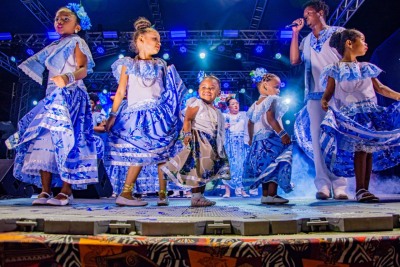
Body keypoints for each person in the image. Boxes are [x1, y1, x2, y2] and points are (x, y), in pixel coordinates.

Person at [5, 3, 97, 206]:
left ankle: (66, 190)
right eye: (57, 19)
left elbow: (83, 69)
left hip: (71, 95)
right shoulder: (52, 47)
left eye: (66, 19)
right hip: (52, 96)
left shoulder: (77, 42)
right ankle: (45, 190)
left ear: (77, 27)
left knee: (68, 139)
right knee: (44, 138)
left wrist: (68, 76)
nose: (60, 22)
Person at [105, 17, 186, 207]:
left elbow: (169, 91)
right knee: (138, 153)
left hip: (159, 114)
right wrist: (112, 115)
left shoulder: (160, 65)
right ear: (140, 40)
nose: (159, 43)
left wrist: (178, 115)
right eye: (154, 39)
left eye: (159, 40)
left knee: (162, 153)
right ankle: (126, 193)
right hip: (136, 115)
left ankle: (162, 194)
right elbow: (120, 91)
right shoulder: (128, 64)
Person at [319, 29, 400, 202]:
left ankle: (364, 188)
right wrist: (325, 100)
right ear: (349, 43)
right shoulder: (335, 70)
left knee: (368, 151)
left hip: (370, 115)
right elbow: (329, 91)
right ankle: (360, 189)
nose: (366, 44)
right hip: (352, 118)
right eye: (362, 40)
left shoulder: (366, 68)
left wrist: (399, 96)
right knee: (361, 151)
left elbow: (380, 89)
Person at [290, 0, 348, 200]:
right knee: (317, 141)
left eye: (309, 13)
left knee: (338, 139)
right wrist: (296, 33)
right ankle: (322, 184)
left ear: (321, 12)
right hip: (314, 96)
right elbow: (294, 60)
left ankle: (340, 185)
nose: (305, 17)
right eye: (305, 14)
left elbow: (348, 59)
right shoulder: (306, 40)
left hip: (338, 93)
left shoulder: (338, 32)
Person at [161, 75, 230, 207]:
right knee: (197, 169)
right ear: (198, 90)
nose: (207, 90)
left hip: (211, 143)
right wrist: (187, 135)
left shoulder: (217, 111)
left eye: (212, 88)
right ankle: (196, 197)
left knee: (205, 171)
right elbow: (187, 119)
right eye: (204, 87)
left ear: (219, 92)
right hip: (199, 141)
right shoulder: (196, 103)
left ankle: (200, 196)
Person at [243, 72, 293, 204]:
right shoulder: (271, 100)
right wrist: (282, 133)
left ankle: (265, 195)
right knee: (275, 165)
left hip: (258, 142)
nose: (278, 90)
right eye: (276, 87)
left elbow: (250, 123)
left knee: (265, 168)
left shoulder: (254, 105)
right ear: (265, 86)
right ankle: (272, 194)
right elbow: (270, 118)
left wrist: (251, 138)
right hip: (271, 139)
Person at [222, 97, 251, 198]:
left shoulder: (243, 115)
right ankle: (227, 191)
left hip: (241, 145)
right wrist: (223, 126)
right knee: (228, 166)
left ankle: (242, 190)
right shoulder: (224, 116)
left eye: (237, 103)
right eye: (233, 104)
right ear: (228, 106)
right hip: (229, 144)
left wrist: (249, 141)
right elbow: (217, 128)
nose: (236, 105)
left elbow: (249, 127)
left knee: (241, 167)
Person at [89, 92, 107, 159]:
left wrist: (89, 128)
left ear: (95, 105)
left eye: (91, 103)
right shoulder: (80, 115)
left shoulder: (97, 115)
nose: (88, 104)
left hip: (94, 144)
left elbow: (103, 128)